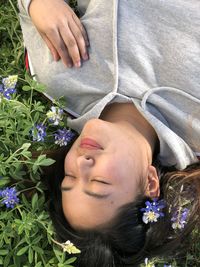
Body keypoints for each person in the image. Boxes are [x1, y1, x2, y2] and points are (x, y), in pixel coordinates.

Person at [18, 0, 200, 266]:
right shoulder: (193, 125)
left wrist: (39, 4)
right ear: (150, 182)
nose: (82, 162)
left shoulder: (61, 80)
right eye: (99, 183)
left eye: (70, 176)